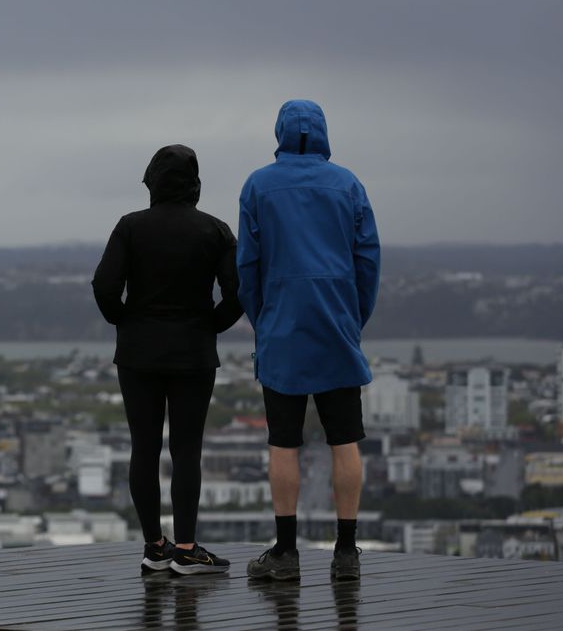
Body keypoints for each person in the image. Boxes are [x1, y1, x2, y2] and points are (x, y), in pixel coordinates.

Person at [236, 100, 380, 582]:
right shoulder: (348, 184)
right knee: (345, 439)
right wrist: (352, 316)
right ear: (321, 132)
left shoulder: (258, 185)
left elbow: (247, 266)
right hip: (337, 320)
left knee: (283, 443)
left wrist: (264, 318)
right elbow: (368, 260)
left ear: (279, 131)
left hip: (282, 324)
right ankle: (345, 552)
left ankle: (285, 552)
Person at [92, 144, 243, 576]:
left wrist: (126, 322)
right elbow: (240, 292)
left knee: (143, 446)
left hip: (137, 352)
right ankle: (188, 549)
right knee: (186, 450)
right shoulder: (214, 231)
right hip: (193, 352)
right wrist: (211, 325)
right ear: (195, 184)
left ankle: (155, 547)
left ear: (151, 182)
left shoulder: (130, 227)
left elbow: (104, 287)